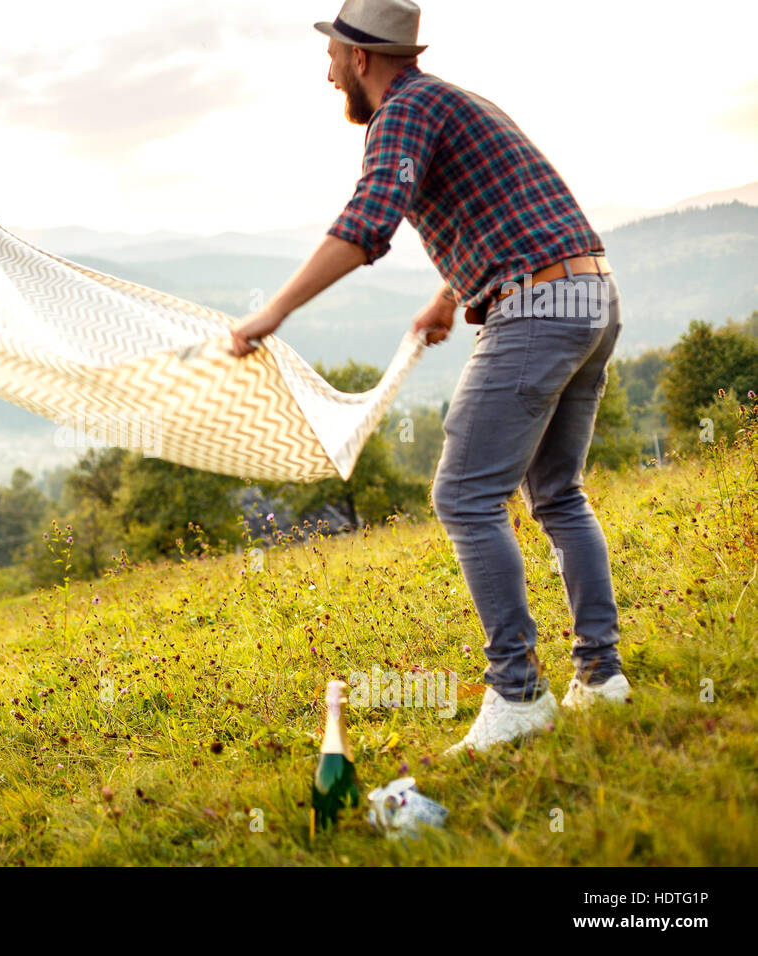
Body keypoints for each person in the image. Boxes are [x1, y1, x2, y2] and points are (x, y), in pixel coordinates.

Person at [229, 0, 631, 754]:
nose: (327, 71)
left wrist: (271, 313)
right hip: (590, 293)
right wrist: (451, 294)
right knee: (557, 493)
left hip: (538, 306)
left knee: (464, 496)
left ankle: (518, 694)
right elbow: (514, 208)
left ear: (359, 57)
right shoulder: (456, 99)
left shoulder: (403, 111)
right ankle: (601, 678)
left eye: (332, 56)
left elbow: (367, 223)